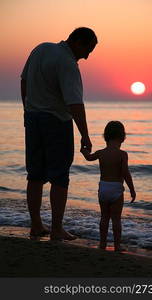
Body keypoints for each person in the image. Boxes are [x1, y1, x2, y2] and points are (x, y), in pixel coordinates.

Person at [21, 27, 98, 240]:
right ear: (78, 42)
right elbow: (74, 103)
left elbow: (24, 81)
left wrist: (27, 110)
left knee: (35, 174)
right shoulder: (67, 63)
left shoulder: (41, 49)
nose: (87, 55)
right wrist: (85, 135)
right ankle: (56, 229)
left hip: (33, 118)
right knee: (60, 176)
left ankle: (36, 225)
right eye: (88, 49)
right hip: (56, 121)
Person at [81, 121, 136, 251]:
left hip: (103, 189)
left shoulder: (101, 153)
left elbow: (88, 157)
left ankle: (102, 244)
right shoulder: (122, 154)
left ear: (105, 136)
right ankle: (117, 246)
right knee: (116, 220)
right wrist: (132, 190)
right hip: (116, 189)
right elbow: (125, 173)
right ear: (122, 137)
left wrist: (83, 150)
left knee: (104, 217)